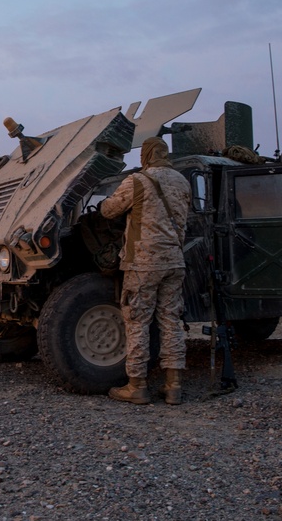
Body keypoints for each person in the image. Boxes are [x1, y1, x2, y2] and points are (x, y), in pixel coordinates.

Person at [99, 136, 191, 405]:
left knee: (138, 321)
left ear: (147, 156)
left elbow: (108, 210)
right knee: (171, 321)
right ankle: (174, 386)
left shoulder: (138, 181)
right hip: (174, 261)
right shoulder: (182, 181)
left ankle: (137, 385)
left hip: (143, 264)